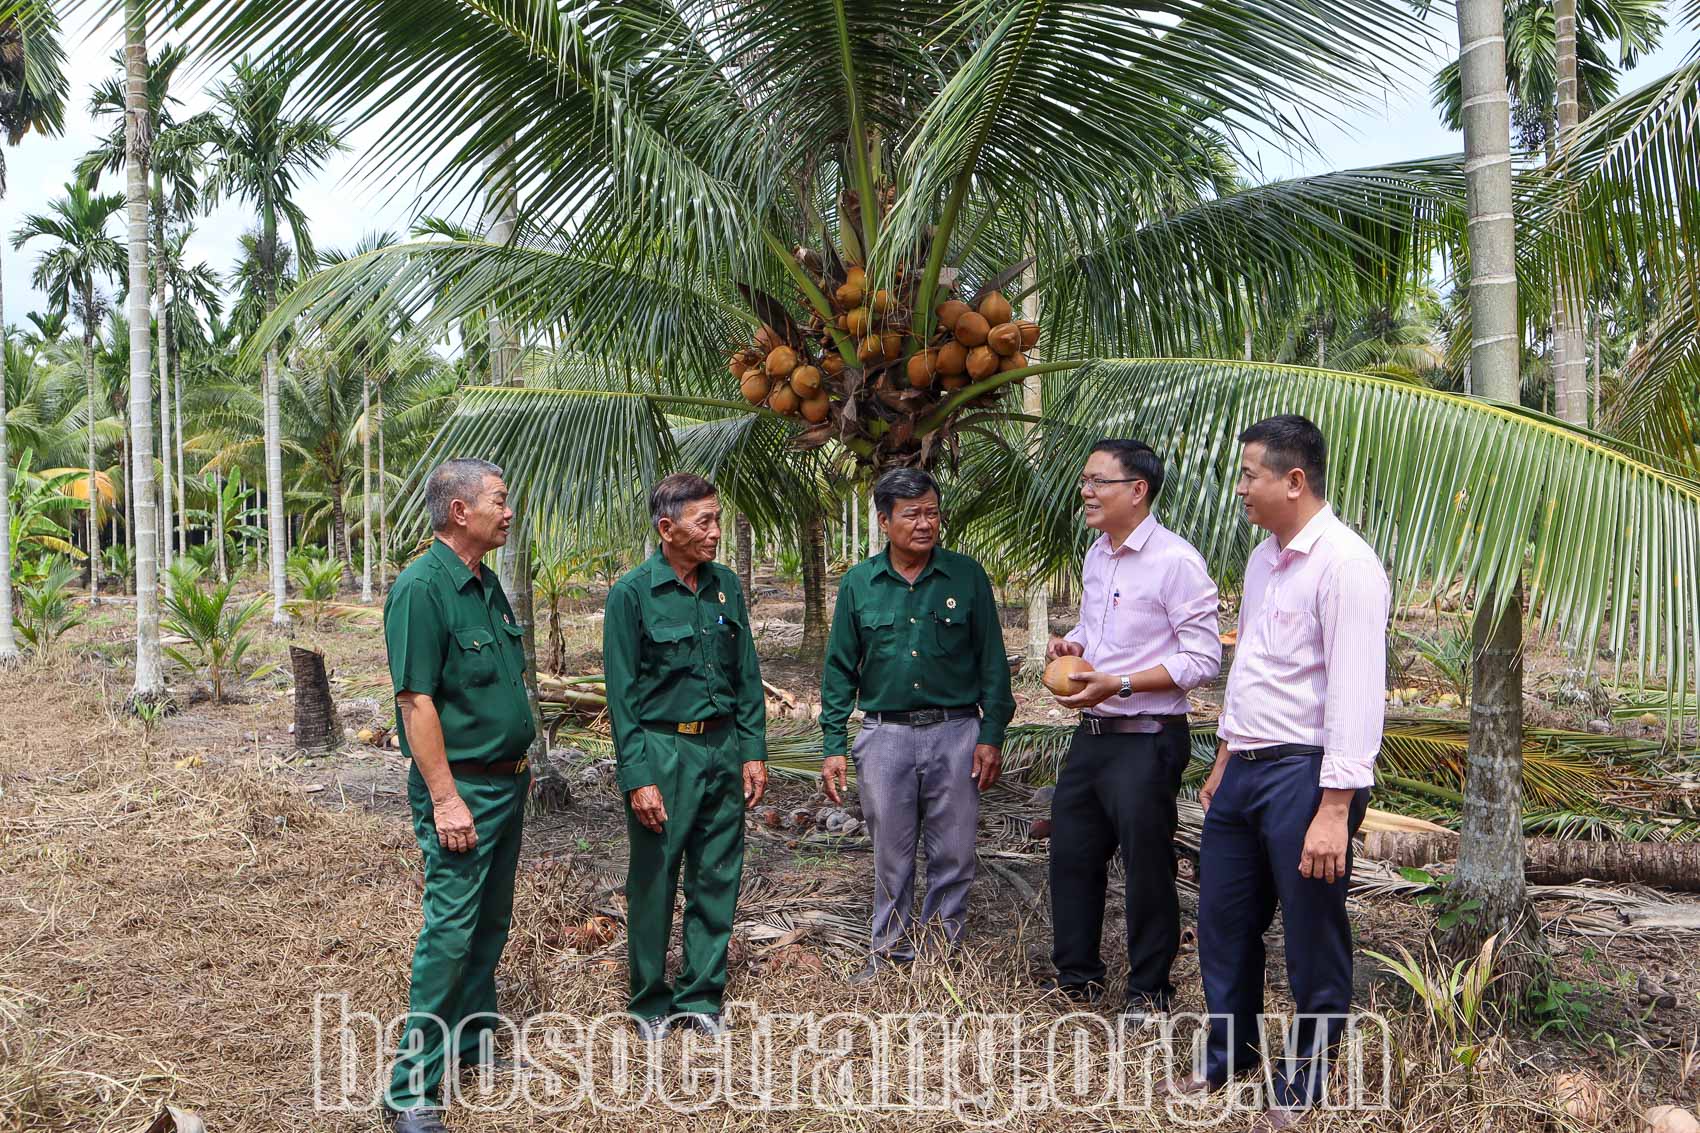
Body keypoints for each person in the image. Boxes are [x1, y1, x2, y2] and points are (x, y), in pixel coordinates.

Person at [1168, 415, 1388, 1130]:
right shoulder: (1265, 558)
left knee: (1310, 929)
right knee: (1223, 915)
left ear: (1294, 481)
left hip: (1307, 772)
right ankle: (1233, 1051)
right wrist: (1227, 752)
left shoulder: (1346, 565)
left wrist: (1334, 806)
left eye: (1249, 474)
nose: (1240, 489)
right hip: (1248, 764)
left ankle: (1306, 1076)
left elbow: (1355, 693)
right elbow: (1255, 665)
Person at [1043, 439, 1222, 1019]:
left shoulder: (1176, 561)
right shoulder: (1099, 554)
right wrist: (1076, 644)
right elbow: (1102, 629)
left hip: (1147, 738)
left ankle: (1149, 990)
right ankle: (1077, 979)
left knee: (1147, 867)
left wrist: (1119, 683)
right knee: (1072, 854)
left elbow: (1202, 659)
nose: (1086, 492)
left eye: (1099, 481)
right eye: (1085, 481)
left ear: (1137, 490)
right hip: (1092, 736)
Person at [383, 459, 535, 1133]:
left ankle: (471, 1041)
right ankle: (410, 1089)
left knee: (488, 924)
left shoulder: (483, 581)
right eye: (498, 502)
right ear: (458, 512)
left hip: (508, 781)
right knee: (449, 933)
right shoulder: (422, 589)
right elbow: (416, 700)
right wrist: (446, 798)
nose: (508, 512)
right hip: (465, 787)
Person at [820, 467, 1015, 984]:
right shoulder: (860, 584)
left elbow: (992, 662)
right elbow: (840, 668)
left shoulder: (966, 577)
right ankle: (889, 955)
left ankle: (941, 957)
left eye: (932, 512)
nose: (925, 524)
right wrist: (833, 742)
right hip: (885, 735)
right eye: (912, 515)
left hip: (956, 732)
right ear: (885, 521)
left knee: (953, 851)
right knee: (892, 853)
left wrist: (991, 733)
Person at [603, 473, 767, 1040]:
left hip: (722, 744)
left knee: (717, 871)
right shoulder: (632, 594)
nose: (716, 532)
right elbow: (621, 696)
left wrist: (752, 750)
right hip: (663, 747)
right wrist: (637, 775)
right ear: (667, 528)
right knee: (654, 876)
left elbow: (747, 672)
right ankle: (649, 1000)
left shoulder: (725, 586)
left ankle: (701, 995)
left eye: (717, 519)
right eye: (705, 522)